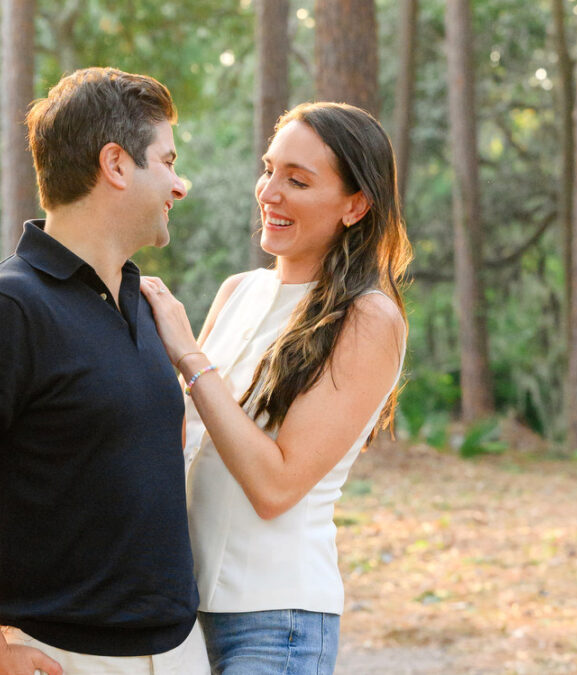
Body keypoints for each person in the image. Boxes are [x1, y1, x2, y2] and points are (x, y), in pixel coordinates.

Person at [0, 67, 208, 675]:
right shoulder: (5, 308)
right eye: (167, 162)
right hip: (66, 658)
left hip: (175, 651)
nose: (181, 184)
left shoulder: (140, 303)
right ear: (116, 165)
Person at [140, 101, 411, 675]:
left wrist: (188, 354)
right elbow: (182, 441)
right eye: (270, 169)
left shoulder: (368, 317)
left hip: (276, 623)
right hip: (180, 610)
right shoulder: (238, 291)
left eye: (298, 180)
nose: (270, 191)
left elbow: (275, 486)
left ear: (355, 205)